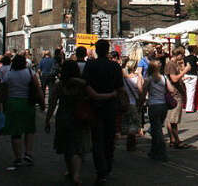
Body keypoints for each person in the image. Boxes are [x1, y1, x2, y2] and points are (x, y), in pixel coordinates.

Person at [45, 60, 116, 186]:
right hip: (79, 117)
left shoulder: (59, 85)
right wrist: (112, 94)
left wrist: (47, 120)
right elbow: (95, 96)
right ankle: (76, 174)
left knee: (67, 146)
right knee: (77, 147)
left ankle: (70, 170)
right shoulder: (82, 85)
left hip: (63, 117)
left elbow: (52, 104)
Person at [82, 40, 125, 185]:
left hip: (94, 106)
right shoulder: (114, 66)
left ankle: (100, 171)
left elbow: (85, 85)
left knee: (97, 140)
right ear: (107, 50)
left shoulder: (90, 65)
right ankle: (108, 166)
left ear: (96, 50)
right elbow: (120, 87)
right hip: (111, 106)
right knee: (109, 138)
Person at [2, 54, 45, 169]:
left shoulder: (9, 74)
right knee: (29, 129)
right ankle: (28, 153)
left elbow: (3, 91)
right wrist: (42, 104)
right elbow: (38, 89)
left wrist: (1, 104)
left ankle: (18, 157)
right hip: (28, 103)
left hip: (13, 103)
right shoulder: (30, 73)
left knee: (15, 132)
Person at [142, 59, 175, 161]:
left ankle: (162, 152)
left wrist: (141, 102)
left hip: (153, 105)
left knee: (157, 130)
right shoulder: (164, 78)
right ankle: (153, 151)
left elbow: (143, 93)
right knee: (157, 128)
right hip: (163, 105)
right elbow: (172, 90)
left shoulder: (149, 79)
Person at [164, 46, 191, 149]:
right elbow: (174, 79)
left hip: (174, 94)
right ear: (178, 55)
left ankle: (173, 140)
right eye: (182, 55)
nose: (182, 57)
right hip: (175, 94)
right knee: (173, 120)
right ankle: (177, 141)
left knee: (171, 119)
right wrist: (185, 71)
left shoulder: (173, 64)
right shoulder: (171, 65)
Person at [122, 60, 143, 151]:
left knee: (128, 123)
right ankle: (132, 144)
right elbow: (140, 89)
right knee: (134, 124)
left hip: (126, 102)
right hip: (134, 102)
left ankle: (129, 144)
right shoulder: (137, 78)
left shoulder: (124, 78)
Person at [183, 45, 198, 113]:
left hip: (186, 74)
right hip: (193, 75)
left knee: (188, 91)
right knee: (191, 92)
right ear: (193, 51)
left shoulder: (185, 58)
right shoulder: (195, 58)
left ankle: (190, 106)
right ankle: (189, 108)